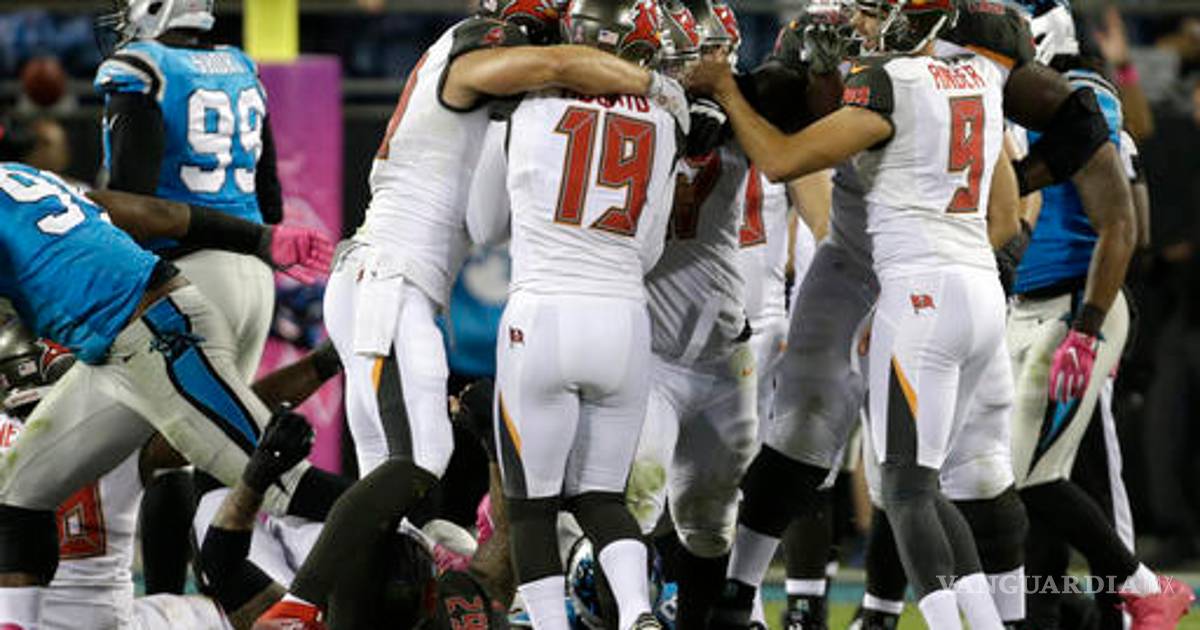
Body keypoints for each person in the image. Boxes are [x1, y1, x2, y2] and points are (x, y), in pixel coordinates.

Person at [254, 1, 689, 626]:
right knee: (422, 459)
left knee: (388, 507)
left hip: (383, 279)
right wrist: (651, 85)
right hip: (391, 279)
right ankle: (298, 606)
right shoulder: (473, 47)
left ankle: (337, 616)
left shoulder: (486, 75)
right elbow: (553, 71)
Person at [0, 163, 331, 628]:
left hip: (149, 332)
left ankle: (412, 530)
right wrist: (258, 239)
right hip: (126, 338)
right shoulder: (23, 179)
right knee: (16, 498)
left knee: (283, 486)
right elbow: (150, 212)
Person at [465, 0, 684, 627]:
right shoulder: (665, 120)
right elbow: (651, 248)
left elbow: (482, 225)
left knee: (531, 506)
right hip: (623, 319)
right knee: (603, 497)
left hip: (544, 313)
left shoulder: (526, 108)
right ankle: (638, 613)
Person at [1008, 2, 1194, 628]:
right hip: (1030, 302)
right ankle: (1053, 610)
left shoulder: (1080, 97)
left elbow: (1127, 223)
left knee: (1072, 472)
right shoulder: (1034, 98)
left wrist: (1090, 324)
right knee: (1036, 477)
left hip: (1074, 302)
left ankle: (1131, 602)